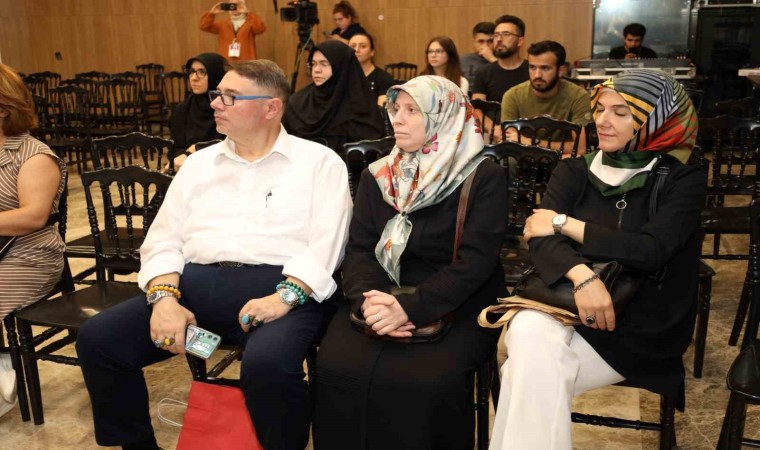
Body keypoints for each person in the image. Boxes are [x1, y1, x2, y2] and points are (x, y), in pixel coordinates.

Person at [76, 60, 352, 450]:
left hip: (283, 292)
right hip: (195, 289)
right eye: (216, 94)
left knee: (267, 366)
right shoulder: (199, 164)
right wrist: (163, 300)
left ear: (271, 108)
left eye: (230, 97)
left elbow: (329, 244)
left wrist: (284, 298)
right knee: (99, 340)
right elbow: (163, 238)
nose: (215, 104)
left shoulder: (319, 163)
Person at [489, 70, 705, 449]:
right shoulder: (575, 169)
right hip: (566, 300)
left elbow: (649, 251)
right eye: (601, 109)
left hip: (640, 322)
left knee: (524, 371)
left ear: (657, 119)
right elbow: (540, 241)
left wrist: (566, 224)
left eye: (621, 113)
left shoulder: (681, 177)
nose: (603, 120)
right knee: (528, 338)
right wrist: (582, 277)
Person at [313, 76, 508, 449]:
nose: (397, 119)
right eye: (395, 109)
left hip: (457, 299)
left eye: (412, 110)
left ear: (444, 116)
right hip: (379, 295)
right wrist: (368, 302)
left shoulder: (483, 177)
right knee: (337, 367)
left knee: (424, 381)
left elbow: (475, 263)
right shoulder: (379, 175)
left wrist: (411, 307)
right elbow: (359, 249)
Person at [0, 63, 66, 418]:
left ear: (3, 108)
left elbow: (33, 216)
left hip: (30, 255)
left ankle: (4, 372)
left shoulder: (33, 155)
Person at [283, 40, 385, 152]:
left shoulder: (360, 104)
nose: (316, 70)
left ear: (342, 66)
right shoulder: (298, 102)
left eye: (324, 64)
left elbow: (373, 148)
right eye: (313, 64)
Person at [501, 41, 591, 153]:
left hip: (563, 159)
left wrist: (532, 142)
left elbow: (580, 148)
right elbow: (510, 143)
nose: (537, 75)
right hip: (524, 157)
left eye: (545, 68)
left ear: (561, 71)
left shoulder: (579, 97)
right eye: (532, 67)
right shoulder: (513, 96)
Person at [472, 15, 530, 141]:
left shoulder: (532, 71)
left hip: (527, 133)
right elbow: (476, 108)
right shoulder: (483, 72)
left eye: (506, 34)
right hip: (493, 132)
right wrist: (493, 128)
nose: (499, 39)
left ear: (520, 41)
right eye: (496, 35)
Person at [169, 53, 227, 172]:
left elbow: (234, 147)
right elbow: (175, 149)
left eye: (202, 72)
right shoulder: (182, 109)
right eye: (191, 71)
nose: (193, 78)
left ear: (216, 75)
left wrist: (197, 149)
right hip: (189, 170)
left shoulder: (229, 108)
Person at [199, 0, 266, 61]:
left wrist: (248, 13)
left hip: (246, 62)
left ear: (243, 6)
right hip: (227, 62)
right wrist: (211, 13)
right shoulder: (223, 25)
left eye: (237, 5)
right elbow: (204, 26)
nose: (234, 8)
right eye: (231, 5)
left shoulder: (250, 23)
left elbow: (260, 29)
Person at [349, 32, 396, 107]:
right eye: (353, 46)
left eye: (363, 46)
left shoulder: (384, 78)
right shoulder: (342, 76)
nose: (356, 50)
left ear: (372, 52)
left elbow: (382, 110)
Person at [460, 22, 497, 86]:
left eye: (490, 41)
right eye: (481, 41)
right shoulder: (463, 60)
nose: (485, 46)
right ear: (474, 42)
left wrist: (491, 58)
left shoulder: (502, 60)